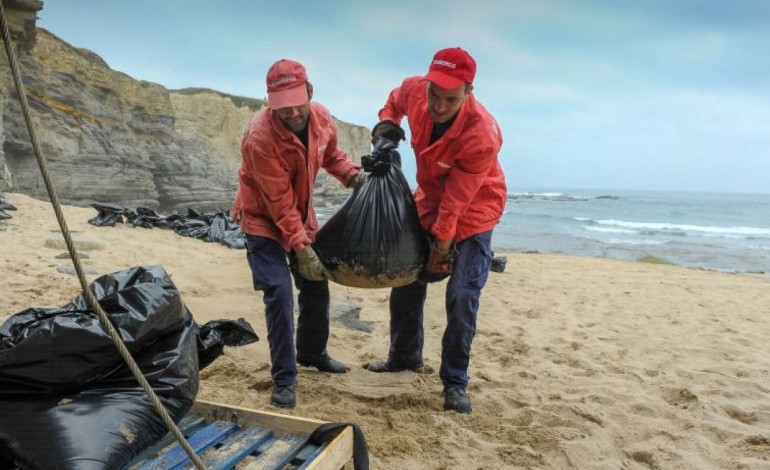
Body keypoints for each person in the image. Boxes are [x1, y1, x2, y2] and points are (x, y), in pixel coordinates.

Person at [364, 47, 506, 414]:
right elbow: (394, 101)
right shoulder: (415, 90)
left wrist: (441, 253)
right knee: (408, 275)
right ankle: (404, 357)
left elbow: (456, 206)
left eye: (451, 99)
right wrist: (387, 128)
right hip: (430, 196)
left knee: (461, 294)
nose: (439, 105)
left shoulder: (483, 134)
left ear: (468, 92)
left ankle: (455, 382)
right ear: (426, 83)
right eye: (434, 95)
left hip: (474, 208)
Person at [234, 59, 365, 409]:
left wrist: (354, 176)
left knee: (316, 285)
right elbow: (278, 202)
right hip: (263, 221)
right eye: (281, 105)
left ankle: (312, 352)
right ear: (269, 101)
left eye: (297, 100)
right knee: (278, 293)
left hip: (302, 215)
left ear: (310, 91)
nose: (291, 111)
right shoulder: (260, 138)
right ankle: (285, 378)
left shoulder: (321, 117)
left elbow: (332, 156)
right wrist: (300, 247)